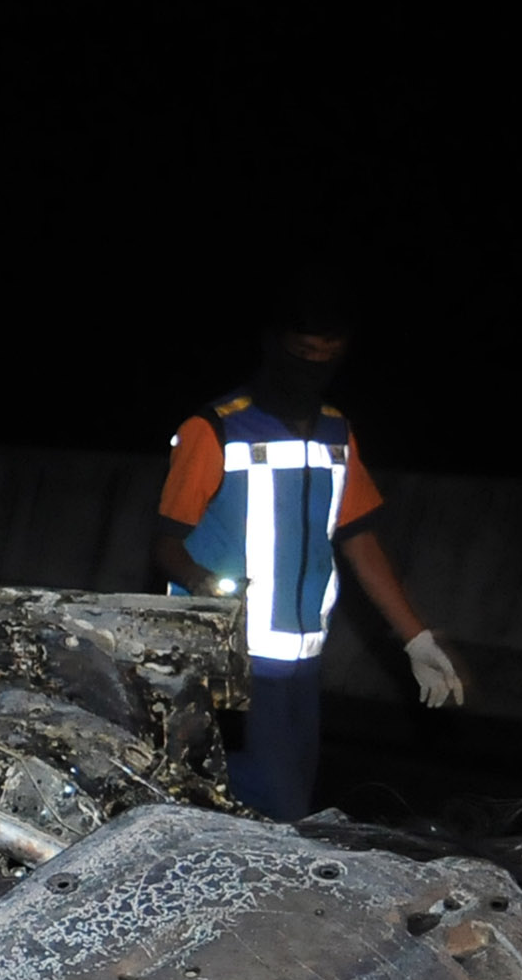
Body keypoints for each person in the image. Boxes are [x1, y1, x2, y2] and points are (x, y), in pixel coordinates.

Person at [155, 289, 467, 818]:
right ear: (275, 346)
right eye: (303, 353)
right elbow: (165, 544)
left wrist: (416, 638)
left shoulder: (336, 433)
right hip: (236, 662)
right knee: (265, 807)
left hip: (302, 664)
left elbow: (359, 537)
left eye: (327, 356)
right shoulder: (215, 430)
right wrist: (207, 585)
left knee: (291, 808)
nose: (313, 367)